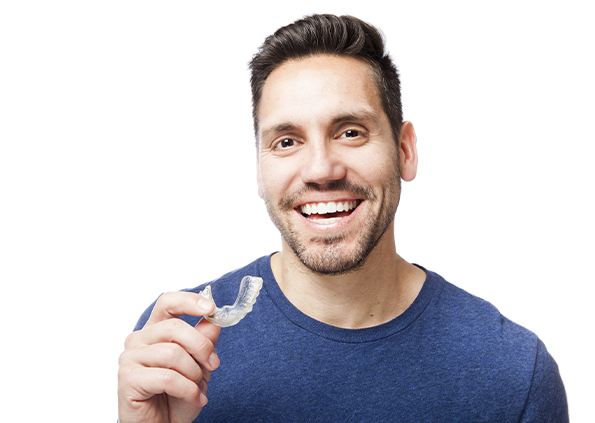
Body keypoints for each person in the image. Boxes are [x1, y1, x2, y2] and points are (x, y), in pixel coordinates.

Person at [118, 14, 568, 422]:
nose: (320, 170)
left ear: (405, 151)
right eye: (287, 141)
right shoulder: (177, 345)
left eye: (350, 132)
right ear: (259, 167)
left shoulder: (512, 374)